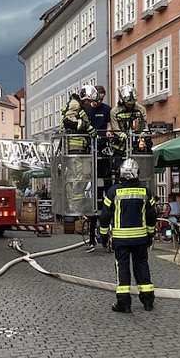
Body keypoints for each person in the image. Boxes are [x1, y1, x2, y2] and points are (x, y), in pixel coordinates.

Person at [99, 158, 157, 313]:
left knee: (123, 269)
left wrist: (103, 236)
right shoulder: (145, 191)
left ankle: (124, 303)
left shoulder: (113, 192)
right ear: (137, 173)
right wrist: (150, 234)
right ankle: (148, 301)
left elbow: (105, 216)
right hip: (140, 238)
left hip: (121, 240)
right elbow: (152, 216)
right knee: (142, 266)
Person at [82, 85, 113, 253]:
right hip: (90, 149)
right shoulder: (86, 109)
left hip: (102, 148)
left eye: (101, 99)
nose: (99, 101)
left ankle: (107, 238)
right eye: (97, 99)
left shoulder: (106, 109)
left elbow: (109, 124)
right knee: (93, 203)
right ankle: (92, 239)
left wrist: (108, 132)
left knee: (106, 191)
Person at [110, 84, 148, 158]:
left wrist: (142, 135)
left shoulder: (140, 109)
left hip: (136, 143)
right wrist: (124, 136)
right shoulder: (115, 112)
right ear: (122, 101)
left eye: (133, 103)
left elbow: (144, 125)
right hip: (119, 146)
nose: (131, 105)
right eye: (128, 104)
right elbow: (116, 128)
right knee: (117, 166)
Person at [61, 84, 97, 153]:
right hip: (74, 143)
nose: (89, 104)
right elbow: (68, 121)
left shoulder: (79, 105)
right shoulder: (75, 104)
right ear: (84, 98)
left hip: (78, 143)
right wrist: (86, 126)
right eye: (89, 101)